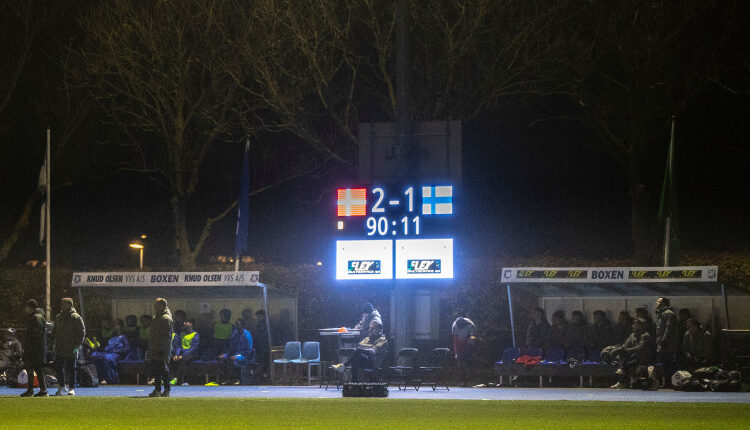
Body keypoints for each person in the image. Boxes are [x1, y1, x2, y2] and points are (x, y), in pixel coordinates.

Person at [608, 318, 656, 389]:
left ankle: (622, 375)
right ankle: (621, 381)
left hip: (644, 358)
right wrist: (617, 349)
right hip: (635, 358)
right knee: (622, 358)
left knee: (624, 359)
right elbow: (625, 345)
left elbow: (639, 348)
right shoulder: (632, 335)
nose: (633, 326)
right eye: (633, 324)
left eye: (635, 324)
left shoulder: (645, 335)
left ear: (640, 326)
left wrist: (625, 350)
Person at [53, 298, 85, 396]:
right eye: (62, 304)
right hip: (60, 347)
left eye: (64, 304)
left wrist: (77, 346)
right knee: (58, 367)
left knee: (71, 368)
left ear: (69, 305)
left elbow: (82, 332)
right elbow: (55, 331)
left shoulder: (76, 317)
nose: (62, 306)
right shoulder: (59, 317)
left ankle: (72, 388)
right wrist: (55, 344)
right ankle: (62, 386)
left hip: (72, 347)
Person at [20, 299, 48, 397]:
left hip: (35, 349)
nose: (25, 309)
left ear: (30, 307)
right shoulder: (37, 316)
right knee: (36, 369)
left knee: (34, 369)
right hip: (36, 348)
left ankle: (37, 390)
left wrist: (30, 347)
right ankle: (39, 390)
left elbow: (36, 334)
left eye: (26, 307)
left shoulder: (36, 317)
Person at [91, 319, 130, 385]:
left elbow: (127, 348)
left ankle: (111, 380)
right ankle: (97, 379)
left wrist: (116, 351)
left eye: (117, 324)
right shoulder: (112, 337)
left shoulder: (124, 337)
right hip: (107, 352)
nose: (114, 326)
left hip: (116, 354)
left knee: (106, 358)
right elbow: (106, 347)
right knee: (94, 355)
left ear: (121, 326)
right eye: (114, 324)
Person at [148, 298, 173, 398]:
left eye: (157, 304)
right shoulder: (157, 317)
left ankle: (167, 389)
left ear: (163, 305)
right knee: (156, 370)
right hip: (155, 347)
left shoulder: (166, 318)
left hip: (162, 348)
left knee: (163, 368)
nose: (155, 306)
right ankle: (157, 389)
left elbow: (167, 336)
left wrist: (162, 349)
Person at [218, 319, 254, 384]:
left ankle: (236, 378)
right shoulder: (235, 333)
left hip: (244, 355)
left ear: (242, 325)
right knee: (221, 359)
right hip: (235, 354)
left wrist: (237, 356)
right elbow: (231, 346)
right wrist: (226, 354)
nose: (237, 326)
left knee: (233, 360)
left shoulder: (247, 335)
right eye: (236, 324)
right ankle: (228, 378)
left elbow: (249, 350)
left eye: (238, 324)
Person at [654, 297, 679, 383]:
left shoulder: (668, 313)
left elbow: (669, 328)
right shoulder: (660, 314)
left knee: (669, 364)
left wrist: (664, 340)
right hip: (661, 345)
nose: (656, 303)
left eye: (658, 301)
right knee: (663, 365)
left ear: (664, 303)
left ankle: (671, 382)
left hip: (668, 346)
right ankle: (666, 382)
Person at [171, 318, 200, 385]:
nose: (184, 323)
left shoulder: (195, 334)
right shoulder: (181, 334)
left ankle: (176, 378)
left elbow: (194, 348)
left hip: (191, 354)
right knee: (172, 358)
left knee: (183, 360)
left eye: (186, 322)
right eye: (184, 322)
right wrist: (177, 354)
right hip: (182, 353)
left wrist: (182, 356)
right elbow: (179, 346)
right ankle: (169, 378)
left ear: (191, 324)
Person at [451, 317, 477, 387]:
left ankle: (470, 379)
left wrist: (469, 343)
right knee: (460, 364)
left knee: (467, 364)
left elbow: (474, 337)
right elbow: (455, 341)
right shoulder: (455, 326)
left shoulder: (470, 325)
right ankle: (462, 380)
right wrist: (456, 352)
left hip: (468, 344)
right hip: (459, 346)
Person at [254, 309, 270, 379]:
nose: (258, 318)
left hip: (264, 346)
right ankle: (262, 375)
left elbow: (263, 336)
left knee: (264, 362)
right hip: (262, 346)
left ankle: (261, 376)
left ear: (263, 316)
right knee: (263, 361)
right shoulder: (261, 323)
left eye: (259, 316)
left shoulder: (264, 324)